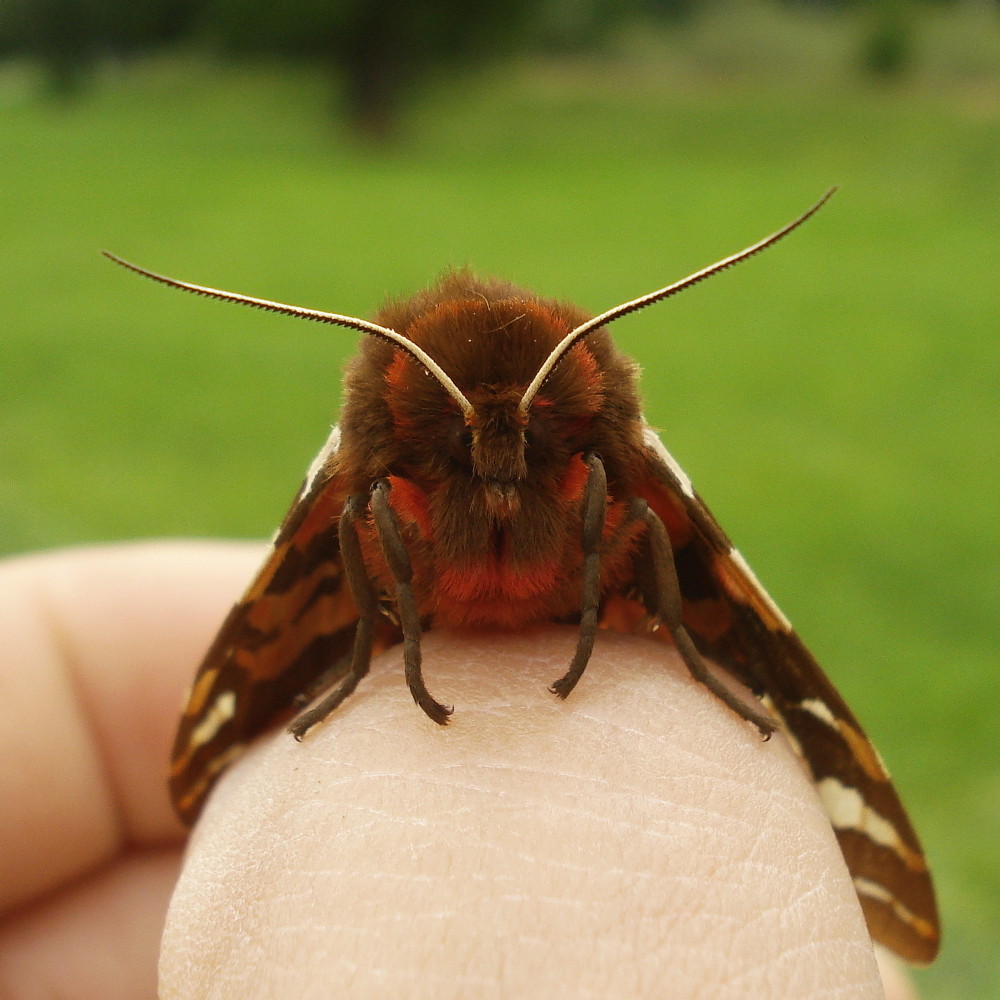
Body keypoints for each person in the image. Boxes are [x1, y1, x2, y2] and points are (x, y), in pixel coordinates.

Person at [0, 542, 918, 999]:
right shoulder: (377, 488)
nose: (498, 476)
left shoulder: (606, 473)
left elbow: (640, 517)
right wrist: (370, 658)